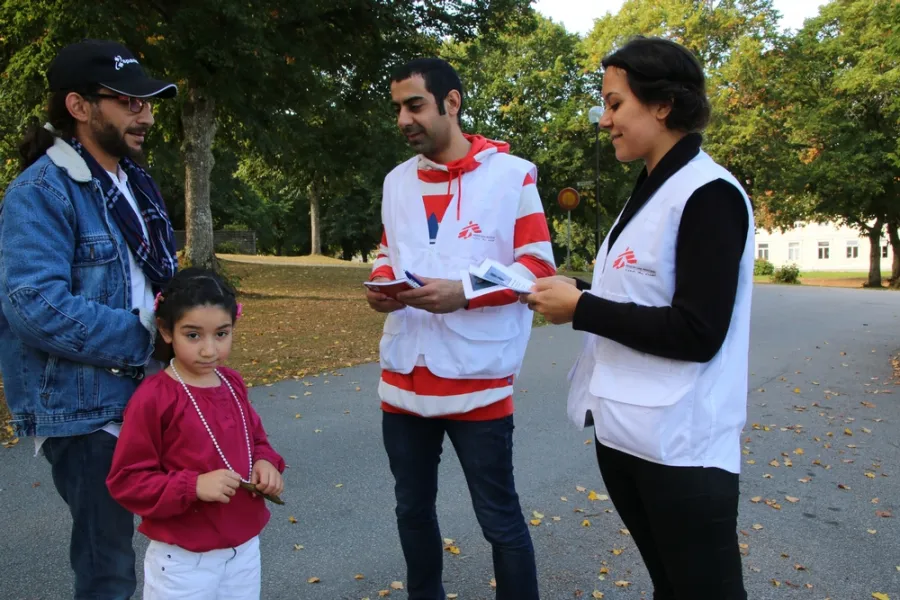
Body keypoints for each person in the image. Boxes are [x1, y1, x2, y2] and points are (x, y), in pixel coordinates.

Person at [523, 37, 752, 599]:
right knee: (670, 587)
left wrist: (582, 308)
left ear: (663, 105)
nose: (604, 120)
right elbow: (640, 295)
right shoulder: (652, 187)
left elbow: (698, 332)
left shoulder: (708, 193)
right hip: (627, 436)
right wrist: (579, 291)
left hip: (682, 449)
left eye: (614, 103)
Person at [365, 58, 556, 600]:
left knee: (499, 518)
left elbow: (537, 267)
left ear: (452, 102)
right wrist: (380, 282)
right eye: (398, 108)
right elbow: (389, 251)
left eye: (415, 105)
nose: (404, 119)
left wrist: (465, 292)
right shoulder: (397, 181)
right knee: (412, 510)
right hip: (404, 379)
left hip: (479, 381)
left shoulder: (512, 175)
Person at [0, 39, 178, 598]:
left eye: (148, 103)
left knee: (178, 544)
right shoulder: (40, 190)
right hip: (87, 410)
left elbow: (150, 280)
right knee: (108, 571)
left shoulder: (134, 185)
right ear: (79, 106)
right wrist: (148, 337)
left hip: (150, 394)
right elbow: (34, 306)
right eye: (129, 101)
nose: (145, 115)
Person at [106, 267, 285, 599]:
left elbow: (257, 441)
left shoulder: (232, 383)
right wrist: (193, 486)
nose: (208, 350)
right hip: (183, 563)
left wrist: (266, 463)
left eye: (221, 334)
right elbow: (127, 480)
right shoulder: (153, 398)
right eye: (193, 335)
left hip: (244, 552)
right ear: (166, 330)